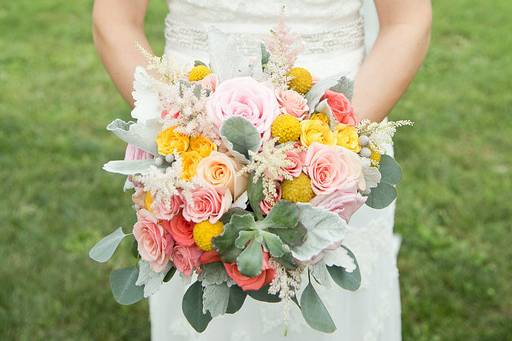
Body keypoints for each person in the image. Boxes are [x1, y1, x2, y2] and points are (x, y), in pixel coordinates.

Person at [93, 1, 431, 340]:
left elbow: (407, 22)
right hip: (190, 145)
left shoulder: (335, 145)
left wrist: (331, 145)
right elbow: (114, 20)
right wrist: (186, 135)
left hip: (339, 135)